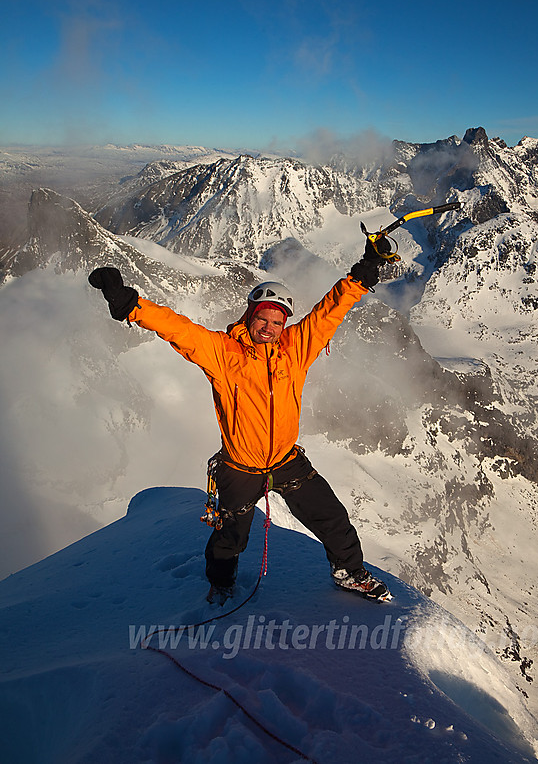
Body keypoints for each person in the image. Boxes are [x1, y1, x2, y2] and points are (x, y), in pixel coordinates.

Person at [88, 236, 393, 604]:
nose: (268, 327)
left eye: (276, 321)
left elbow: (328, 313)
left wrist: (362, 275)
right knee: (230, 538)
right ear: (249, 316)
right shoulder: (223, 352)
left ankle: (350, 572)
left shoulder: (294, 350)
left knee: (332, 518)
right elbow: (180, 329)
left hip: (285, 459)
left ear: (284, 325)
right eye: (261, 318)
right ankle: (221, 583)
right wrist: (132, 306)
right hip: (240, 467)